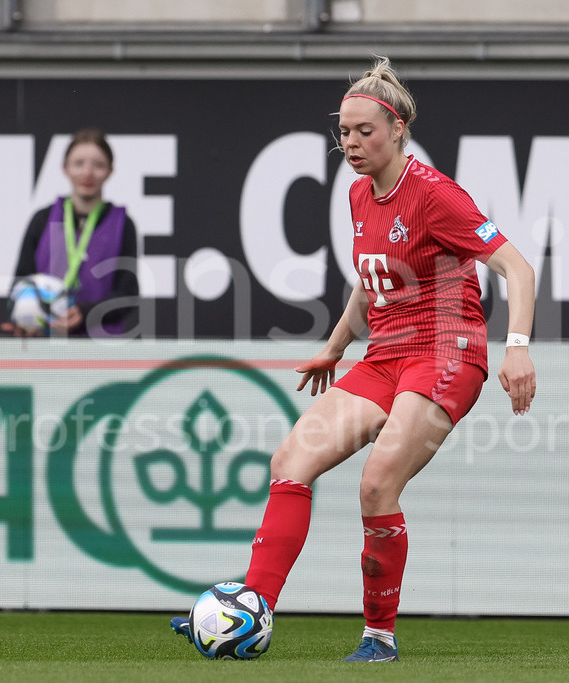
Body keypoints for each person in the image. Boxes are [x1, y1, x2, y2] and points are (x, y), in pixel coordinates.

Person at [171, 57, 536, 661]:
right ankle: (251, 609)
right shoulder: (359, 195)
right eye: (343, 132)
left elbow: (517, 268)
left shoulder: (436, 194)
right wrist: (336, 346)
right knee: (291, 459)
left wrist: (517, 348)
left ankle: (378, 637)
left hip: (446, 352)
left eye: (365, 130)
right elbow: (371, 281)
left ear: (397, 129)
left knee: (375, 485)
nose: (352, 142)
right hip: (384, 354)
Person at [3, 128, 139, 337]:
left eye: (98, 165)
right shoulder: (43, 219)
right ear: (65, 168)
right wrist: (24, 319)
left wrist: (86, 312)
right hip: (48, 346)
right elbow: (21, 282)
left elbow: (127, 294)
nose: (88, 173)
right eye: (78, 163)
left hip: (102, 347)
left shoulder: (122, 224)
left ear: (110, 171)